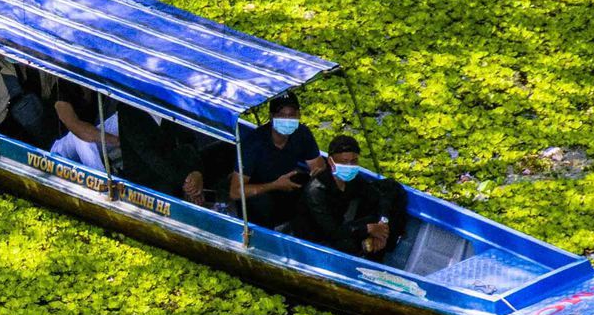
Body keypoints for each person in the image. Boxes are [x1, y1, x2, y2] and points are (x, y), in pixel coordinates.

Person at [213, 93, 326, 228]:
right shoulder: (254, 144)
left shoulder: (302, 133)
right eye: (282, 115)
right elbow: (236, 192)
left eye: (292, 115)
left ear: (298, 115)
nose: (288, 119)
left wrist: (316, 176)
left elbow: (318, 167)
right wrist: (274, 185)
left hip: (285, 183)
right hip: (258, 191)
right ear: (272, 117)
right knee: (262, 203)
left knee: (309, 188)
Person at [304, 134, 408, 259]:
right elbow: (332, 231)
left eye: (353, 161)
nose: (349, 166)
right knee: (348, 244)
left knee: (392, 188)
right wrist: (368, 229)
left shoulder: (352, 179)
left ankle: (382, 240)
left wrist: (382, 223)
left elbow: (378, 196)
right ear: (331, 161)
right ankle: (370, 250)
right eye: (344, 162)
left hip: (344, 223)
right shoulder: (316, 191)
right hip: (319, 234)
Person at [117, 104, 205, 203]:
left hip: (176, 171)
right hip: (145, 183)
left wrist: (195, 172)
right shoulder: (129, 109)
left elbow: (188, 141)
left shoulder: (171, 104)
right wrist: (186, 181)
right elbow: (151, 155)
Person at [49, 80, 117, 171]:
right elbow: (76, 127)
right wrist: (115, 140)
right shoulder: (63, 87)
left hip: (90, 146)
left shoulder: (98, 86)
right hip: (62, 151)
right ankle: (100, 180)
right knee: (80, 135)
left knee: (119, 120)